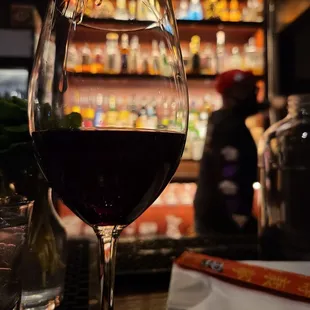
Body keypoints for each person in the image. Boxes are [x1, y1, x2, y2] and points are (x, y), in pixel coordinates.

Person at [194, 69, 269, 235]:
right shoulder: (228, 125)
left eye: (254, 90)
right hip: (222, 220)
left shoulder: (222, 120)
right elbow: (227, 178)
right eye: (246, 90)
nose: (253, 95)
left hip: (215, 215)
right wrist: (240, 218)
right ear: (228, 95)